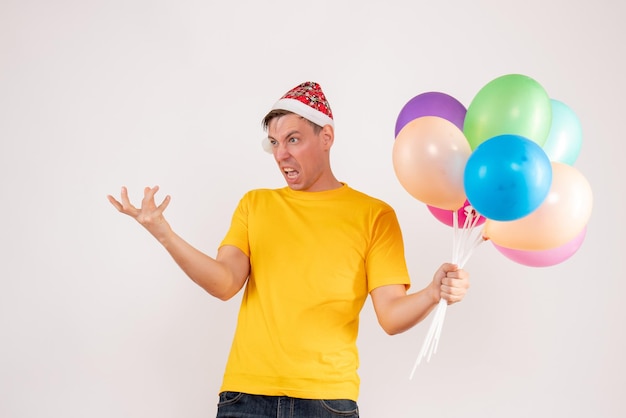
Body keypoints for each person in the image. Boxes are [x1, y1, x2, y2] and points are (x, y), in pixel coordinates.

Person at [107, 81, 470, 418]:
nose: (281, 154)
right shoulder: (255, 205)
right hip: (245, 397)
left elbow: (390, 316)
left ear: (326, 137)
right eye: (274, 143)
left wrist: (432, 293)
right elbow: (224, 283)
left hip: (327, 402)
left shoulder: (374, 216)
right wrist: (163, 233)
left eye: (293, 140)